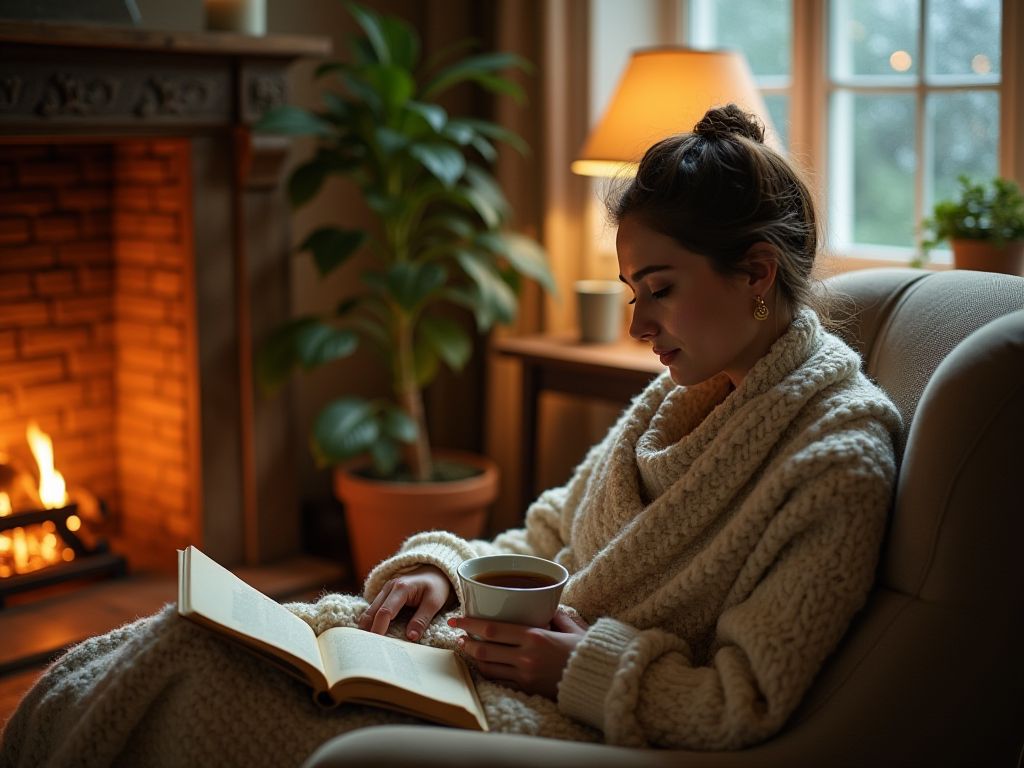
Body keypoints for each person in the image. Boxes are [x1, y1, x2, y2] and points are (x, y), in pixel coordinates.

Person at [0, 104, 900, 766]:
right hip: (490, 661)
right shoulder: (681, 402)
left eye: (658, 289)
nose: (638, 324)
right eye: (632, 292)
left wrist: (575, 668)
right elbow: (541, 537)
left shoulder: (836, 459)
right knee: (175, 642)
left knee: (201, 692)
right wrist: (438, 567)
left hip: (578, 720)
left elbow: (745, 698)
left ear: (754, 273)